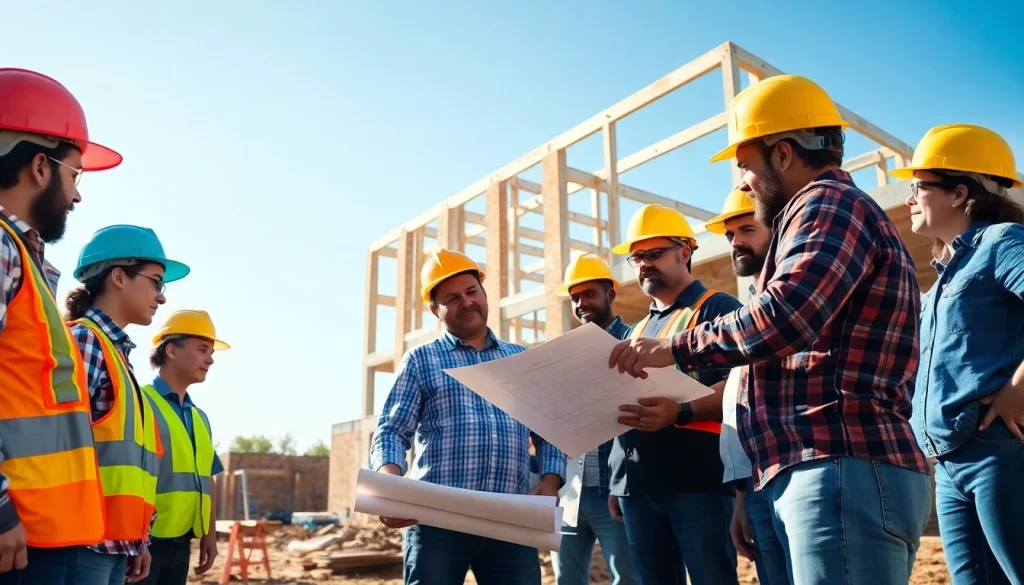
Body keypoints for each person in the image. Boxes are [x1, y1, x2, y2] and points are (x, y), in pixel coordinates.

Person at [608, 74, 934, 585]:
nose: (742, 183)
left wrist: (673, 348)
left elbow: (786, 316)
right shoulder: (817, 214)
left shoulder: (827, 204)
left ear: (783, 154)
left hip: (839, 458)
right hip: (818, 463)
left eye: (745, 165)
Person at [369, 249, 567, 585]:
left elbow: (548, 430)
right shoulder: (421, 360)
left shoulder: (519, 360)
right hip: (438, 524)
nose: (467, 302)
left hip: (511, 521)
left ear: (484, 294)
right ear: (436, 310)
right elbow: (391, 431)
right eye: (453, 298)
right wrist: (389, 483)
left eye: (472, 291)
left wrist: (551, 481)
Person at [0, 67, 121, 584]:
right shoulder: (2, 248)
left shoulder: (20, 256)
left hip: (35, 535)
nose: (77, 196)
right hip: (15, 534)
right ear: (39, 167)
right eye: (75, 175)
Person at [890, 123, 1024, 583]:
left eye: (918, 187)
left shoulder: (1002, 242)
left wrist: (1017, 388)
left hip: (999, 450)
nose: (908, 198)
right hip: (948, 462)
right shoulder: (943, 277)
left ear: (959, 192)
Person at [606, 203, 742, 585]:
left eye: (654, 254)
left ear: (684, 252)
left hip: (698, 483)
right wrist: (617, 479)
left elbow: (741, 386)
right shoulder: (634, 331)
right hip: (638, 485)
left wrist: (680, 411)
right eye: (637, 258)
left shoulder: (717, 309)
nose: (644, 264)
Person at [65, 224, 191, 584]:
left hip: (116, 545)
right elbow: (61, 447)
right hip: (83, 544)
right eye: (156, 282)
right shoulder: (84, 342)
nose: (161, 297)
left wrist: (139, 539)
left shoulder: (116, 355)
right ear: (119, 277)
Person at [704, 188, 788, 585]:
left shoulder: (789, 302)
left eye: (747, 230)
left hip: (796, 473)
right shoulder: (750, 307)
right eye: (730, 234)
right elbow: (742, 411)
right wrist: (740, 495)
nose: (736, 241)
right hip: (756, 484)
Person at [550, 253, 637, 585]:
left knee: (627, 577)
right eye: (575, 298)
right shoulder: (567, 354)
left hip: (614, 488)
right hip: (570, 489)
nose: (581, 304)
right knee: (567, 578)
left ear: (610, 294)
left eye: (589, 294)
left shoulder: (634, 342)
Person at [138, 309, 230, 585]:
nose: (210, 359)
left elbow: (208, 477)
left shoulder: (199, 417)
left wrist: (210, 535)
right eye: (202, 349)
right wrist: (136, 539)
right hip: (146, 543)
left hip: (183, 542)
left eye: (211, 352)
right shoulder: (141, 403)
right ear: (172, 351)